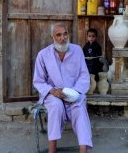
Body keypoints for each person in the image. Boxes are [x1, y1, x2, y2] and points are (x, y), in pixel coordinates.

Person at [33, 23, 92, 153]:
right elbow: (38, 80)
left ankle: (84, 149)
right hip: (53, 94)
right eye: (58, 35)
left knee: (79, 108)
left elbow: (84, 75)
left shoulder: (77, 50)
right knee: (56, 106)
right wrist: (53, 91)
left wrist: (73, 93)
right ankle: (52, 149)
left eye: (65, 34)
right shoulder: (43, 55)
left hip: (74, 91)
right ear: (52, 37)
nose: (62, 38)